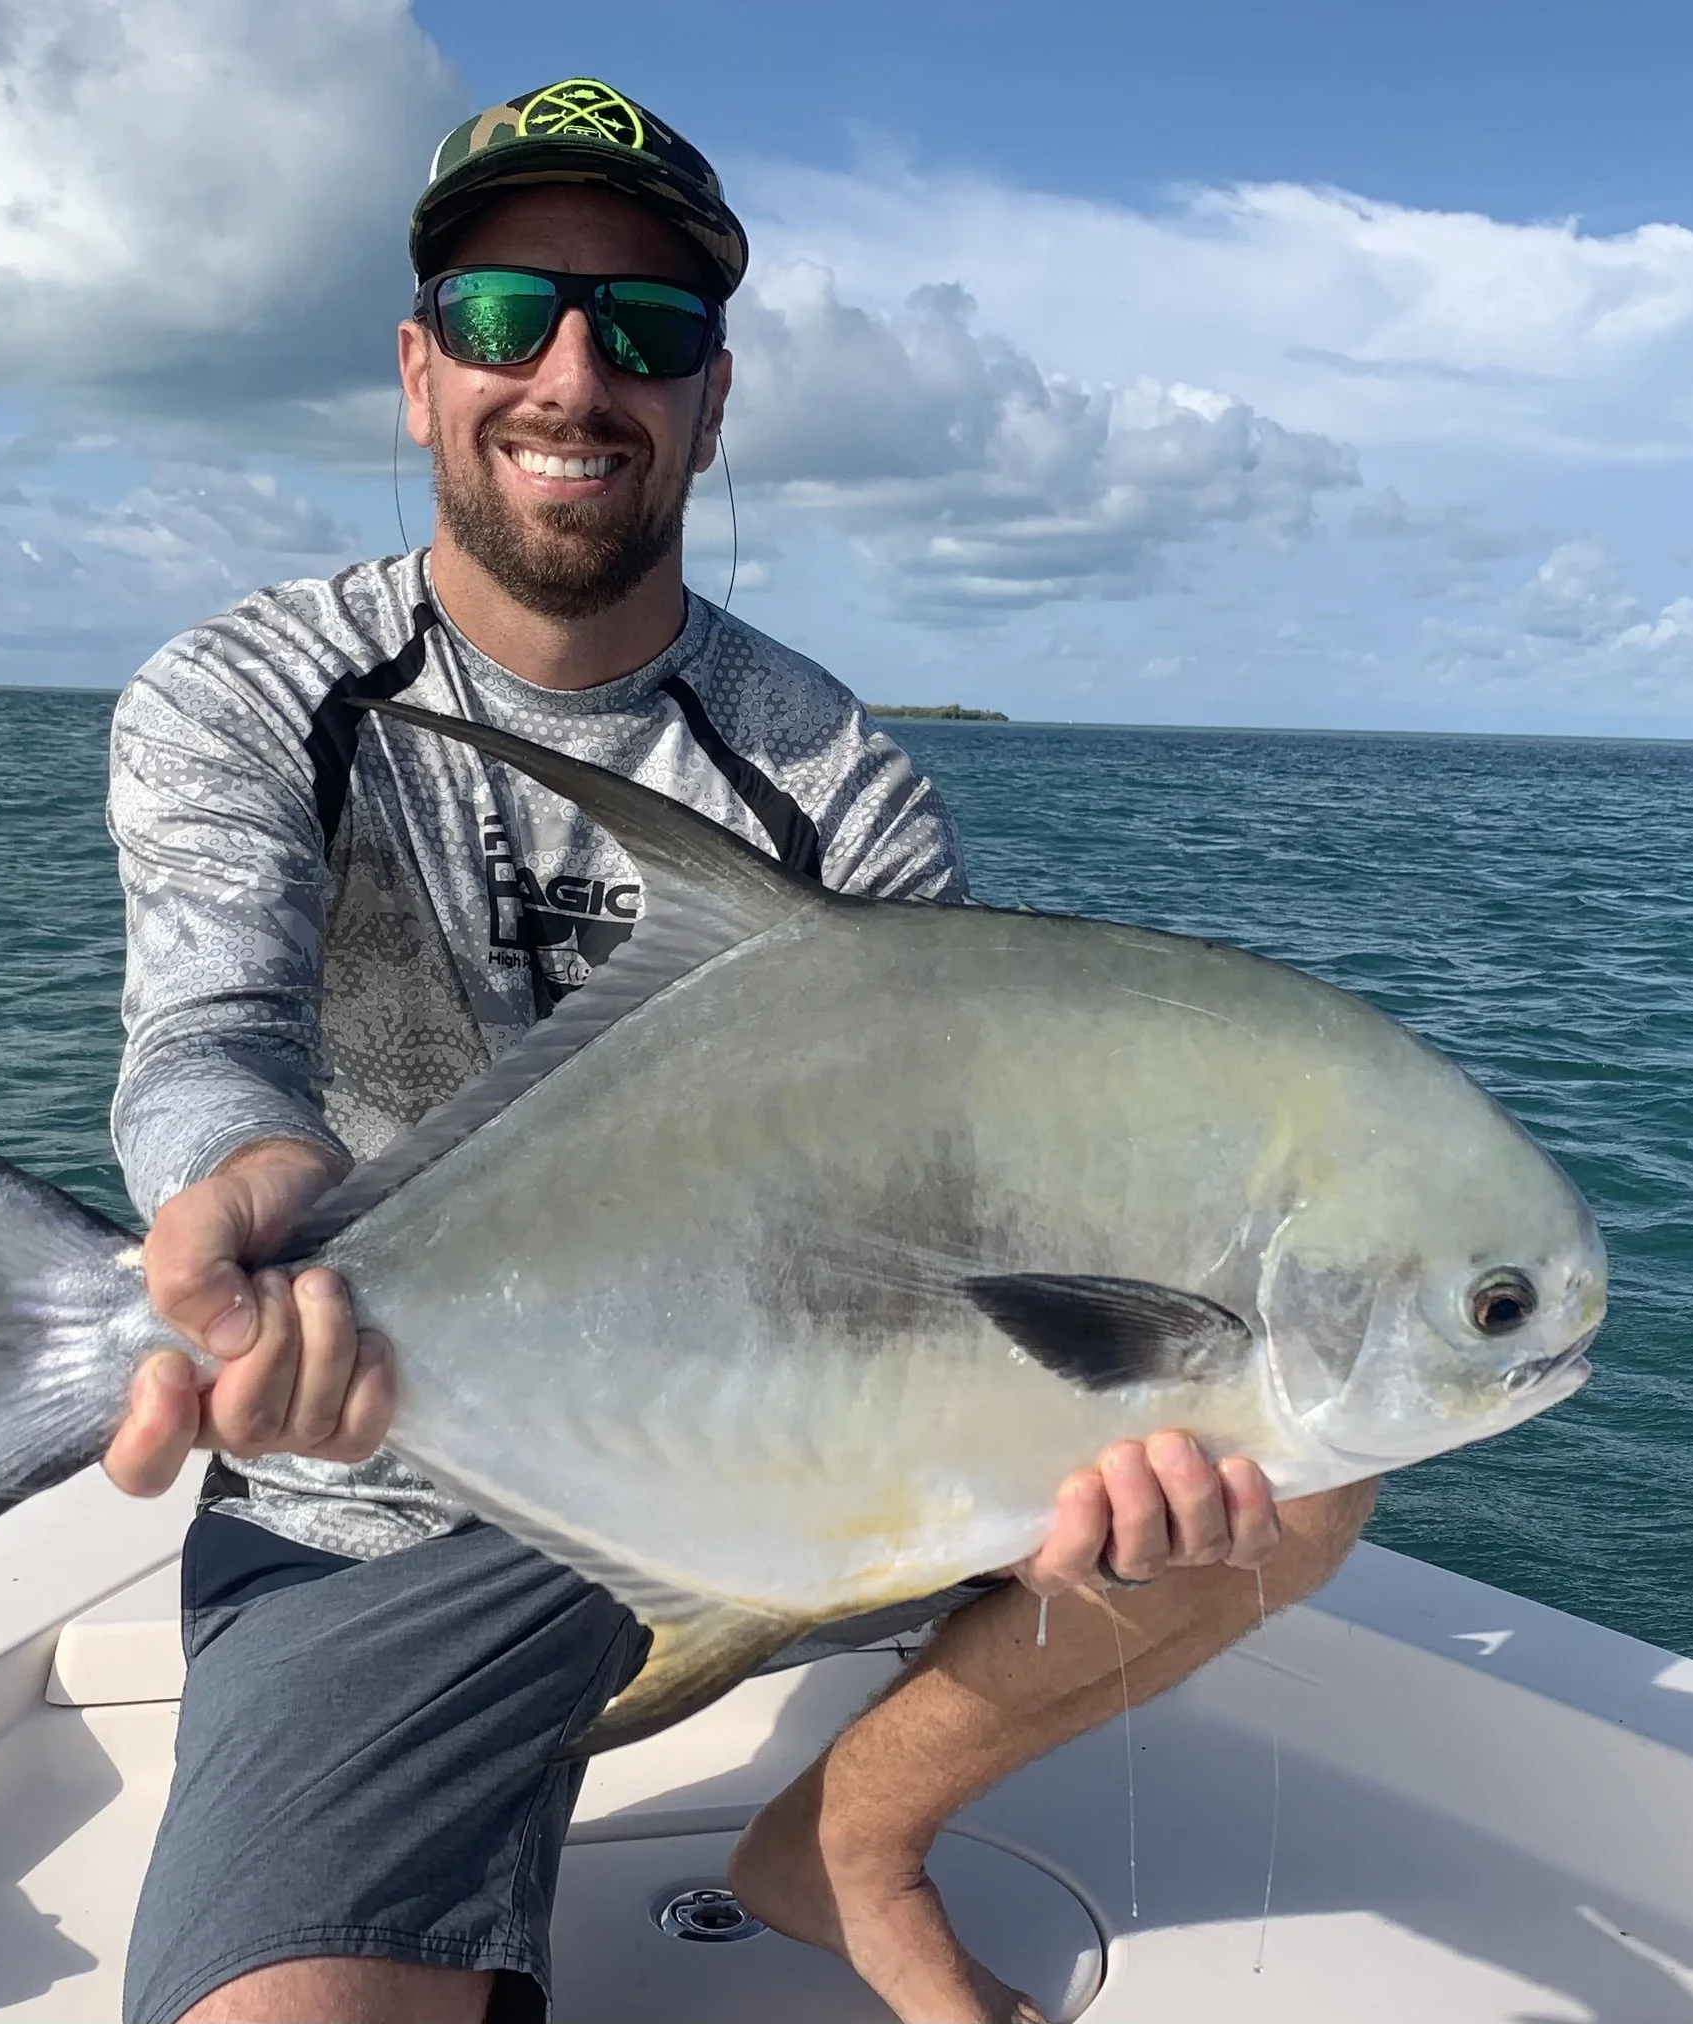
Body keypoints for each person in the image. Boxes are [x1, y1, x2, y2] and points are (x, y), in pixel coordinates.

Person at [101, 77, 1375, 2024]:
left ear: (708, 399)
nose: (573, 373)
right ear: (417, 364)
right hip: (378, 1482)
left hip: (786, 1468)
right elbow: (213, 1024)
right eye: (511, 310)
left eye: (649, 328)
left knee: (1295, 1451)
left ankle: (842, 1841)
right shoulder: (252, 695)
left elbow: (940, 1200)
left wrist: (1107, 1435)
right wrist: (236, 1194)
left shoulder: (828, 777)